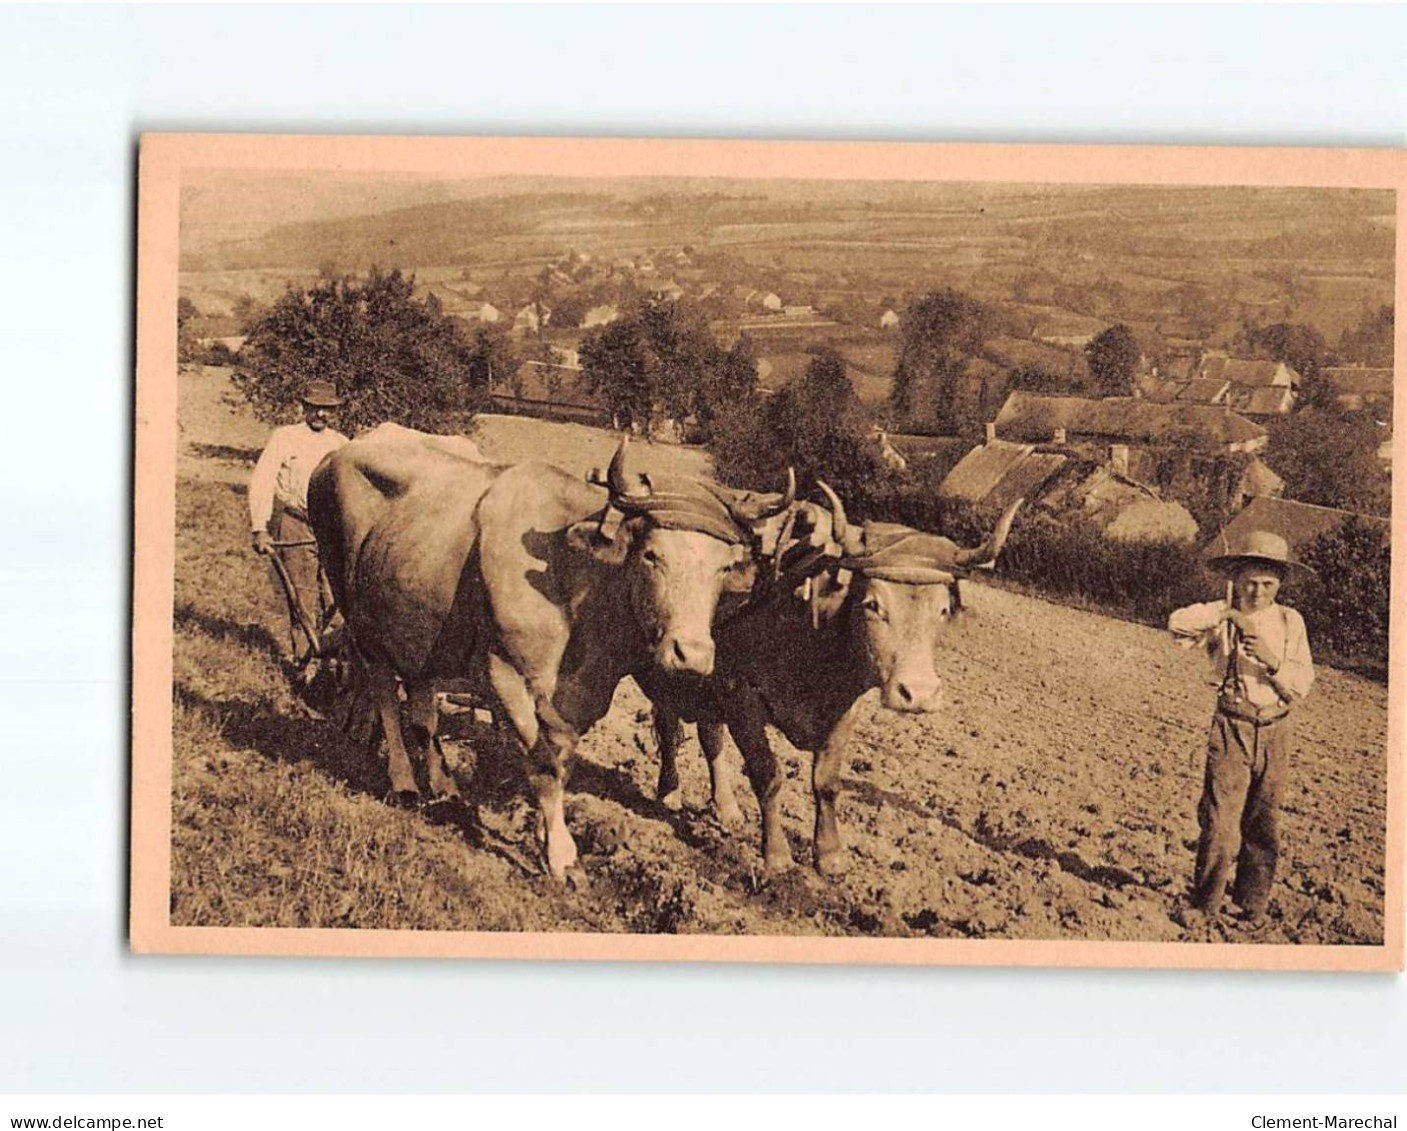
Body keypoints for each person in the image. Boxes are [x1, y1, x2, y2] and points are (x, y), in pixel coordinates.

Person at [1168, 530, 1315, 930]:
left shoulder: (1290, 621)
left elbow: (1301, 684)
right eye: (1249, 582)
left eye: (1267, 584)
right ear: (1235, 579)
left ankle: (1251, 906)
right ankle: (1205, 903)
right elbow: (1176, 625)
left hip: (1275, 729)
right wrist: (1226, 614)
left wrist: (1269, 659)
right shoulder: (1220, 616)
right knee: (1219, 821)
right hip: (1231, 728)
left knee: (1263, 823)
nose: (1257, 592)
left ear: (1280, 585)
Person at [249, 380, 350, 664]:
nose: (321, 415)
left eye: (327, 409)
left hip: (333, 529)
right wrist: (260, 527)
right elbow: (262, 480)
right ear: (304, 407)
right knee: (302, 596)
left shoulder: (342, 444)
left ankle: (337, 663)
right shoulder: (285, 438)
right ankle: (303, 662)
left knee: (338, 599)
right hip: (297, 523)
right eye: (316, 408)